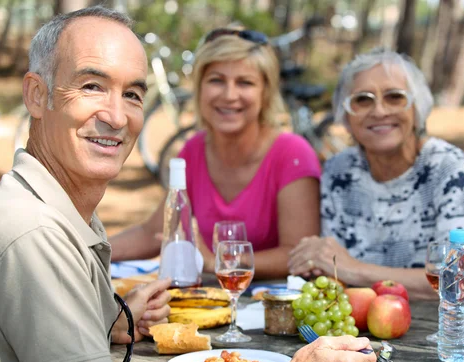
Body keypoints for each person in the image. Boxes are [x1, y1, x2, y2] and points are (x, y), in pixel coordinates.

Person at [0, 6, 375, 362]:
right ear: (37, 95)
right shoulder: (37, 233)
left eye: (131, 94)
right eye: (92, 86)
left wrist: (102, 322)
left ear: (266, 92)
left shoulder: (58, 216)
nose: (115, 115)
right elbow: (152, 230)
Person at [109, 26, 321, 280]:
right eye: (217, 80)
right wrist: (89, 252)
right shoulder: (194, 150)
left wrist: (216, 260)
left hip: (274, 307)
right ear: (199, 88)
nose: (230, 95)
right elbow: (153, 233)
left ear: (265, 93)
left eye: (245, 82)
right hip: (213, 301)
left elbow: (298, 254)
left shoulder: (293, 154)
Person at [288, 49, 464, 300]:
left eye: (394, 97)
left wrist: (355, 270)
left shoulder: (444, 164)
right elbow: (329, 268)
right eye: (363, 99)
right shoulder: (339, 170)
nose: (379, 111)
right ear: (345, 115)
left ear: (417, 108)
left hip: (433, 330)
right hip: (355, 327)